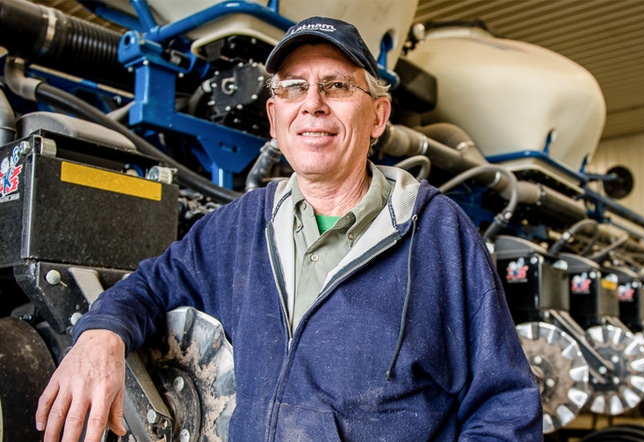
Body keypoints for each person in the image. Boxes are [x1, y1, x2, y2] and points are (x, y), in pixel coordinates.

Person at [36, 16, 542, 441]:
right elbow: (148, 286)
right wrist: (100, 336)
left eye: (338, 86)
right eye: (295, 88)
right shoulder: (240, 226)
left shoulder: (437, 233)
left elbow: (505, 404)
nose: (314, 103)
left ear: (379, 116)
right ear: (275, 120)